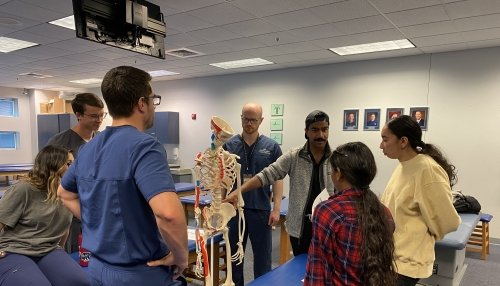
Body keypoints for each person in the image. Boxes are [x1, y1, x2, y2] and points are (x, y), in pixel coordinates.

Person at [57, 66, 188, 286]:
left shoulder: (88, 148)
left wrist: (97, 224)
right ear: (141, 104)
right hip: (140, 273)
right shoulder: (145, 146)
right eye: (153, 99)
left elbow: (65, 193)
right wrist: (181, 255)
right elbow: (169, 215)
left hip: (97, 269)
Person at [225, 110, 334, 255]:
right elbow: (267, 175)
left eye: (324, 129)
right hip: (300, 228)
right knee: (299, 269)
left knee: (326, 269)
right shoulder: (294, 156)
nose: (320, 135)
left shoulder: (336, 159)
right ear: (306, 132)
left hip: (328, 226)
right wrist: (239, 191)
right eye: (315, 130)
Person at [379, 115, 460, 286]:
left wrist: (417, 236)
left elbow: (447, 221)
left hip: (406, 264)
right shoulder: (404, 165)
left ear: (403, 141)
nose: (381, 146)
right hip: (391, 256)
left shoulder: (427, 170)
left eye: (385, 140)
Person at [304, 142, 396, 286]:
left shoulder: (328, 212)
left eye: (332, 171)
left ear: (339, 174)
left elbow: (318, 270)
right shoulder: (385, 213)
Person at [0, 145, 89, 286]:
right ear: (53, 165)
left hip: (47, 250)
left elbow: (63, 229)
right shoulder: (24, 189)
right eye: (68, 164)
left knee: (80, 282)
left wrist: (58, 253)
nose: (74, 168)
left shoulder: (67, 193)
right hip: (13, 250)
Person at [223, 103, 284, 286]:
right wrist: (220, 205)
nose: (249, 123)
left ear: (261, 120)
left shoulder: (272, 147)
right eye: (246, 119)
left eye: (253, 120)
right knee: (234, 257)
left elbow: (278, 179)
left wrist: (277, 208)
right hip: (234, 211)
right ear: (241, 118)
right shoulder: (229, 145)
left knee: (262, 259)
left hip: (261, 209)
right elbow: (223, 177)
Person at [47, 92, 106, 254]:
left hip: (98, 210)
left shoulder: (103, 140)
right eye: (94, 116)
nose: (99, 120)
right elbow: (49, 180)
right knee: (74, 255)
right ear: (78, 115)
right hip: (69, 212)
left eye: (102, 115)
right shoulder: (58, 143)